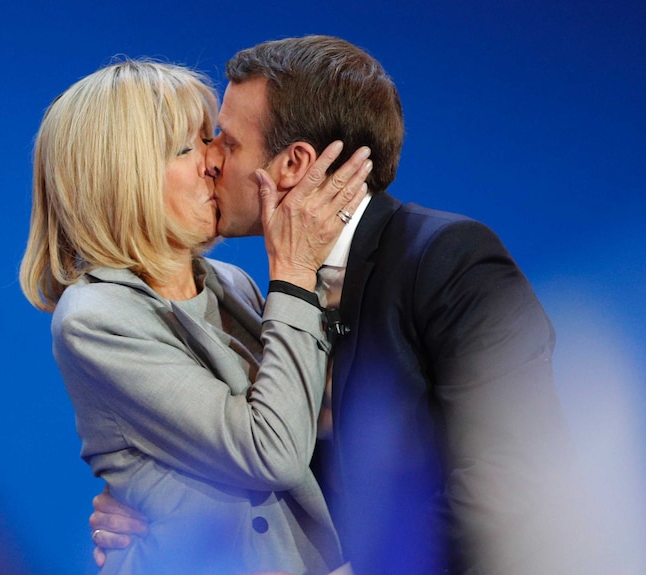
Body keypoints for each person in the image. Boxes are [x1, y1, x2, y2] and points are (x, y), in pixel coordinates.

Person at [89, 36, 582, 574]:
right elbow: (280, 456)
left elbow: (516, 477)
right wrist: (157, 500)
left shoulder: (448, 261)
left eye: (226, 142)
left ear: (294, 164)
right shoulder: (273, 293)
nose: (210, 160)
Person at [19, 59, 372, 574]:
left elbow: (319, 414)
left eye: (209, 139)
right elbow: (270, 450)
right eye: (187, 147)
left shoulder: (231, 283)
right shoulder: (95, 318)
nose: (213, 161)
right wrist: (295, 274)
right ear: (123, 179)